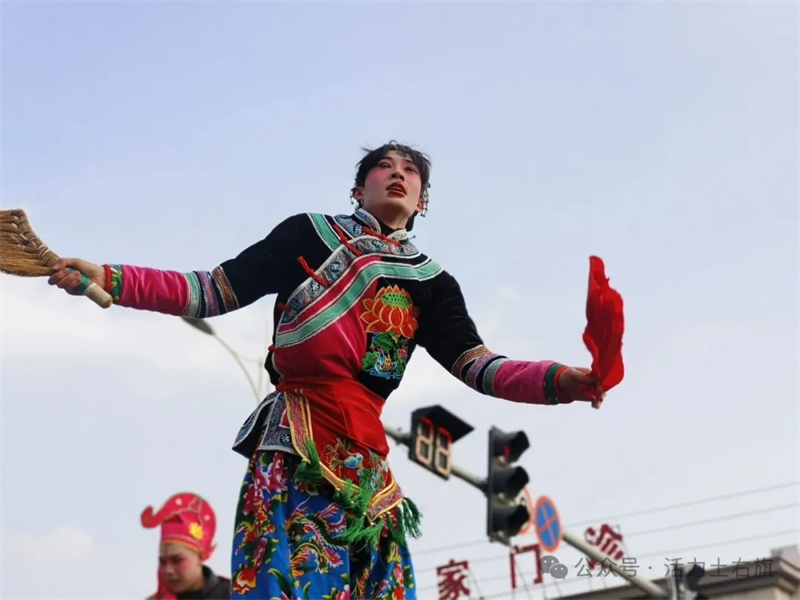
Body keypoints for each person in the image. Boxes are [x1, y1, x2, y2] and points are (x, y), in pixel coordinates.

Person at [49, 141, 605, 600]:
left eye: (411, 171)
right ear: (357, 189)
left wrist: (561, 382)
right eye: (383, 166)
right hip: (297, 444)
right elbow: (210, 290)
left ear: (423, 200)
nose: (398, 174)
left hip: (369, 469)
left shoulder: (433, 283)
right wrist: (111, 278)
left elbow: (480, 366)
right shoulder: (308, 234)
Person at [141, 492, 231, 599]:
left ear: (200, 557)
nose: (168, 570)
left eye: (177, 560)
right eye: (162, 562)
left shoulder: (235, 595)